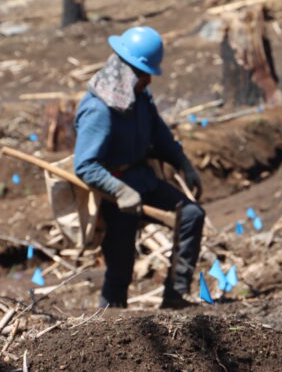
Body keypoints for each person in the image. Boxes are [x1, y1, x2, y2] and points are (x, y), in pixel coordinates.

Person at [74, 26, 205, 308]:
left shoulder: (140, 99)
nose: (148, 80)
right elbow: (85, 166)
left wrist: (183, 163)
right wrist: (119, 191)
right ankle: (108, 323)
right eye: (144, 74)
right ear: (128, 72)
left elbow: (160, 137)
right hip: (113, 195)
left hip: (143, 179)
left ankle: (176, 296)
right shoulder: (98, 110)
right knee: (120, 268)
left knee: (191, 215)